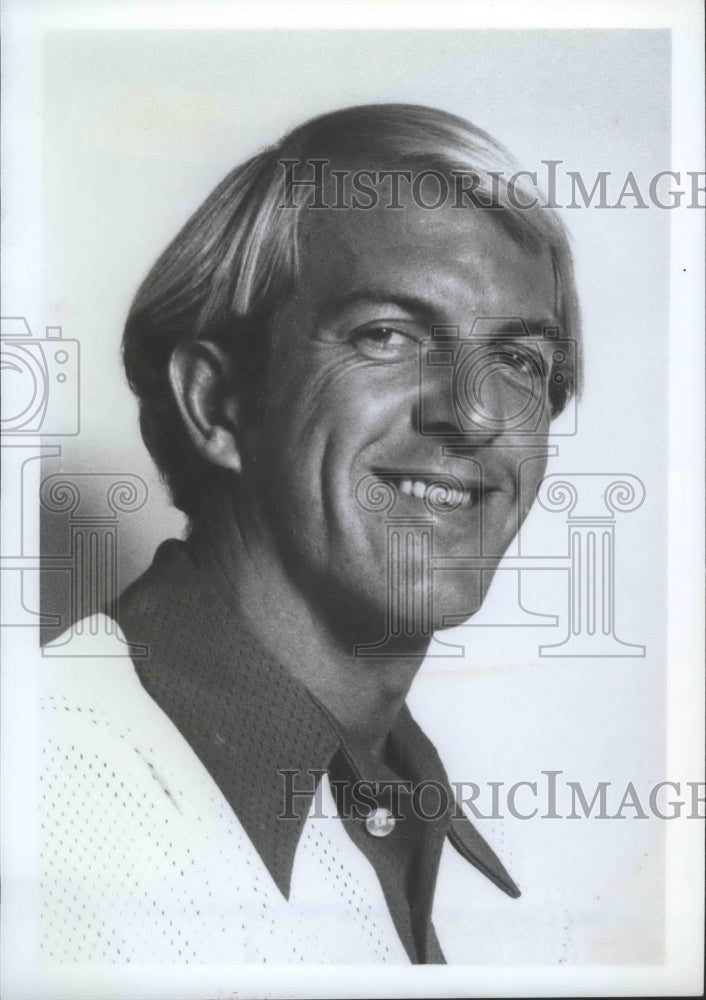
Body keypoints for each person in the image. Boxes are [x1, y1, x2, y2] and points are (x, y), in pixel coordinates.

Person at [39, 104, 581, 965]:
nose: (473, 416)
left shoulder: (481, 869)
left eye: (518, 361)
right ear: (219, 406)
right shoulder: (44, 797)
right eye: (389, 335)